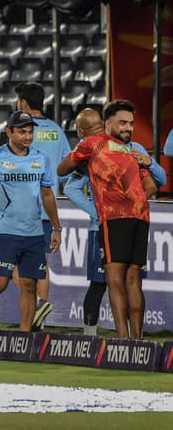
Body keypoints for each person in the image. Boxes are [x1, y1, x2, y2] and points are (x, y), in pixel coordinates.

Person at [61, 104, 164, 337]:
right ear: (107, 123)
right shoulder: (131, 150)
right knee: (133, 279)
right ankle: (137, 341)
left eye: (131, 124)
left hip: (114, 217)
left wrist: (108, 204)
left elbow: (61, 171)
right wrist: (131, 199)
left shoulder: (93, 144)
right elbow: (151, 185)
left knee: (113, 279)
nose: (128, 128)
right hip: (140, 216)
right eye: (123, 123)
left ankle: (123, 341)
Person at [0, 111, 61, 332]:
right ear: (9, 132)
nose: (28, 136)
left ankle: (24, 337)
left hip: (34, 232)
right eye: (22, 132)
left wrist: (56, 228)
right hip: (6, 231)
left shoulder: (41, 158)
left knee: (29, 285)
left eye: (30, 132)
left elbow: (47, 194)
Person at [14, 82, 71, 330]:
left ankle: (35, 304)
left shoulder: (23, 130)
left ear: (24, 103)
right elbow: (67, 166)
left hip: (23, 206)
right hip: (48, 206)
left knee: (14, 261)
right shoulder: (57, 131)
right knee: (41, 263)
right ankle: (40, 316)